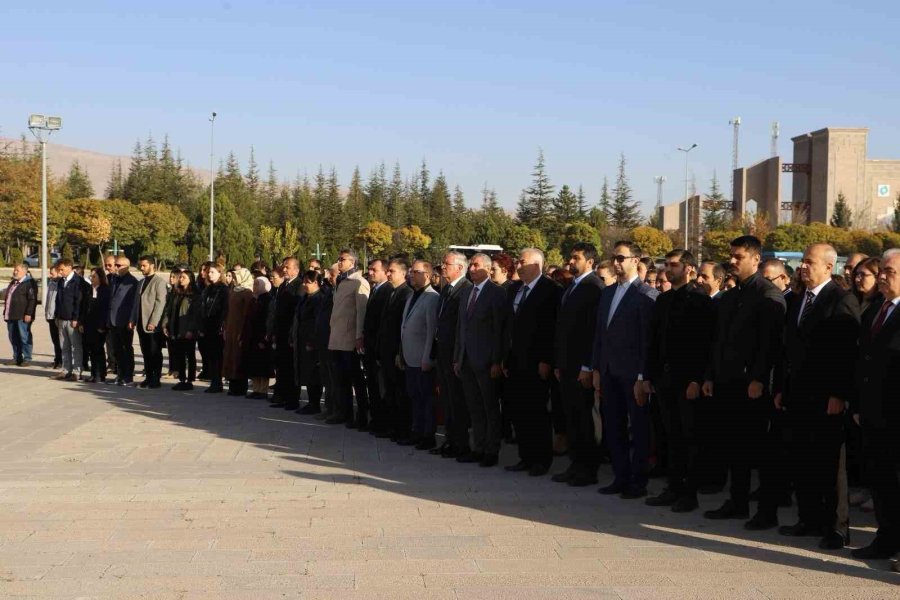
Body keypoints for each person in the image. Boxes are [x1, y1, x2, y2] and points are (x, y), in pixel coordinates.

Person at [775, 243, 859, 550]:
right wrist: (782, 387)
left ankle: (836, 527)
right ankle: (808, 518)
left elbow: (846, 352)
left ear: (828, 266)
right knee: (803, 459)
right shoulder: (800, 299)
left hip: (827, 397)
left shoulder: (841, 299)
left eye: (810, 262)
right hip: (798, 395)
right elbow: (790, 350)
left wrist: (839, 393)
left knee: (828, 465)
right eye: (803, 262)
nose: (803, 267)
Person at [702, 236, 786, 529]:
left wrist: (759, 379)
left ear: (755, 259)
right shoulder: (732, 295)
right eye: (731, 257)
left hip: (752, 385)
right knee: (732, 445)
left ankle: (767, 510)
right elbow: (719, 340)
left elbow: (769, 344)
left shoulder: (768, 295)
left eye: (739, 257)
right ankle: (737, 503)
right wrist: (711, 375)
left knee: (760, 450)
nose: (733, 262)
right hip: (727, 381)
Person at [643, 250, 715, 512]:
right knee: (670, 434)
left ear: (689, 269)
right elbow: (654, 340)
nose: (668, 270)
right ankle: (673, 487)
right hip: (664, 379)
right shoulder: (663, 300)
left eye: (674, 265)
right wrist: (649, 375)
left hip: (688, 381)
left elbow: (707, 345)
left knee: (690, 436)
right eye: (667, 265)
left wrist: (698, 379)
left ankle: (689, 492)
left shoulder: (701, 301)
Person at [590, 241, 658, 498]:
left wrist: (642, 376)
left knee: (638, 428)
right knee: (613, 425)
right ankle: (621, 477)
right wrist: (596, 367)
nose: (616, 262)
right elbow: (599, 333)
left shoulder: (646, 295)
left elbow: (646, 340)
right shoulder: (607, 293)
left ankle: (638, 482)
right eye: (614, 257)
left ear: (635, 261)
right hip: (608, 370)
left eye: (621, 258)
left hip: (632, 374)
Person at [852, 249, 900, 562]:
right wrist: (858, 403)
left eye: (890, 272)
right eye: (881, 270)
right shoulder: (874, 311)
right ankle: (886, 540)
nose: (881, 276)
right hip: (874, 413)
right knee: (881, 482)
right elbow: (862, 362)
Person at [552, 243, 605, 487]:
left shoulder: (594, 287)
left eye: (576, 258)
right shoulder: (572, 286)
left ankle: (587, 469)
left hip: (580, 367)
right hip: (566, 365)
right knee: (571, 417)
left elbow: (592, 332)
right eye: (570, 257)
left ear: (590, 262)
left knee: (584, 420)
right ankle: (575, 465)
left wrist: (587, 366)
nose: (570, 262)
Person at [505, 248, 561, 477]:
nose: (518, 265)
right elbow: (510, 328)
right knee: (519, 410)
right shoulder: (515, 289)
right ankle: (525, 456)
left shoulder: (550, 290)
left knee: (537, 411)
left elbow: (551, 329)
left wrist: (546, 359)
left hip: (537, 361)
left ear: (537, 265)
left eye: (522, 262)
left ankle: (541, 459)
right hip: (516, 360)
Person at [453, 253, 507, 467]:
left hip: (486, 361)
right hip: (466, 360)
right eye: (471, 265)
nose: (472, 268)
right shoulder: (466, 293)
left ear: (486, 268)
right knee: (474, 407)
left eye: (476, 265)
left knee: (490, 407)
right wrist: (457, 357)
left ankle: (491, 450)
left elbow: (499, 331)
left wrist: (496, 361)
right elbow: (461, 328)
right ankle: (478, 446)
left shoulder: (497, 293)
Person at [432, 251, 473, 458]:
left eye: (446, 264)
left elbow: (461, 327)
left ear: (459, 267)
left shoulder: (465, 289)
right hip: (442, 352)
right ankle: (450, 440)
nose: (443, 267)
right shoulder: (447, 289)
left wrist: (458, 356)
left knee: (457, 401)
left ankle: (461, 443)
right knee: (446, 399)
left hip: (454, 354)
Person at [399, 260, 440, 449]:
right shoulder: (411, 296)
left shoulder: (432, 298)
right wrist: (401, 352)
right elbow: (405, 327)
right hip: (409, 357)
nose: (411, 275)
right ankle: (416, 431)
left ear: (428, 275)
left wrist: (428, 358)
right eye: (411, 271)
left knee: (426, 399)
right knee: (414, 397)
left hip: (422, 359)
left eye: (416, 272)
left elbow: (432, 331)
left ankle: (427, 435)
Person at [327, 249, 370, 426]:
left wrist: (359, 336)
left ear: (352, 262)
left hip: (350, 337)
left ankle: (361, 415)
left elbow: (362, 312)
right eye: (338, 259)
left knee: (355, 380)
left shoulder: (359, 282)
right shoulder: (341, 281)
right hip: (336, 336)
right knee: (339, 378)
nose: (339, 262)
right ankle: (343, 413)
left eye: (342, 259)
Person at [376, 259, 413, 439]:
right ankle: (391, 426)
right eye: (388, 271)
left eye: (392, 271)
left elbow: (402, 327)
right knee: (389, 391)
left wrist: (400, 352)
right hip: (386, 351)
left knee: (400, 392)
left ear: (403, 273)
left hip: (397, 353)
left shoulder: (406, 294)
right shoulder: (392, 292)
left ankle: (402, 429)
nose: (388, 274)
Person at [362, 259, 392, 433]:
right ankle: (375, 420)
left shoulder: (387, 291)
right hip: (370, 347)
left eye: (374, 269)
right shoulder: (375, 290)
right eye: (370, 269)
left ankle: (383, 422)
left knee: (382, 388)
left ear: (385, 271)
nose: (371, 272)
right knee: (372, 386)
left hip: (379, 348)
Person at [270, 258, 303, 409]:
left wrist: (291, 332)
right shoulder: (283, 285)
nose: (284, 270)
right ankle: (280, 396)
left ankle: (292, 399)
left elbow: (296, 312)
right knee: (281, 365)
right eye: (284, 267)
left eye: (287, 267)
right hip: (281, 331)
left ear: (296, 270)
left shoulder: (299, 286)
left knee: (291, 367)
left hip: (291, 332)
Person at [131, 256, 168, 389]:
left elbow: (160, 303)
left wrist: (154, 322)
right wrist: (132, 319)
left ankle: (155, 378)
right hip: (141, 323)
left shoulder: (159, 282)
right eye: (140, 265)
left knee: (154, 352)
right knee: (145, 352)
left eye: (144, 265)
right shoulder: (140, 282)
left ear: (152, 265)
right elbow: (136, 303)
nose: (141, 268)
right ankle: (148, 376)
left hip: (153, 325)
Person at [293, 270, 327, 414]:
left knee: (314, 374)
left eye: (308, 282)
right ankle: (311, 402)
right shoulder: (305, 298)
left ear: (316, 283)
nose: (304, 284)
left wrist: (313, 340)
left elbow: (319, 322)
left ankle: (315, 403)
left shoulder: (319, 299)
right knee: (306, 372)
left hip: (312, 342)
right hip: (302, 340)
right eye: (304, 281)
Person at [163, 269, 201, 391]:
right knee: (179, 354)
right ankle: (182, 378)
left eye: (184, 277)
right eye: (180, 277)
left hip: (188, 329)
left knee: (189, 355)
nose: (181, 279)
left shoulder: (195, 294)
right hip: (176, 327)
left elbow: (195, 314)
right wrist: (165, 324)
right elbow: (169, 310)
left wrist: (191, 329)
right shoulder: (176, 293)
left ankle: (189, 380)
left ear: (190, 279)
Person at [223, 268, 254, 396]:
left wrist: (243, 331)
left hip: (240, 328)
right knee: (230, 355)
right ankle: (232, 384)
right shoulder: (234, 290)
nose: (235, 279)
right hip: (231, 327)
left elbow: (247, 313)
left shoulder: (247, 292)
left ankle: (241, 387)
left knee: (239, 357)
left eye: (237, 276)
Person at [107, 257, 138, 386]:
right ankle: (119, 375)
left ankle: (128, 376)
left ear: (126, 266)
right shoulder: (114, 279)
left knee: (126, 349)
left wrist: (131, 320)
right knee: (117, 349)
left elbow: (133, 304)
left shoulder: (132, 282)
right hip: (113, 320)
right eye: (116, 265)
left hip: (125, 321)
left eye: (118, 265)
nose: (116, 267)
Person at [198, 263, 228, 393]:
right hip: (207, 323)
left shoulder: (223, 289)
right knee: (209, 354)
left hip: (217, 324)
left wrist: (221, 324)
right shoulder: (208, 289)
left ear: (220, 273)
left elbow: (225, 309)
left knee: (217, 355)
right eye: (209, 272)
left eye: (212, 272)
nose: (209, 274)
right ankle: (213, 380)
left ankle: (217, 382)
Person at [53, 259, 84, 381]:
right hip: (61, 318)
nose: (60, 272)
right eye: (59, 270)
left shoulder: (78, 281)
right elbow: (58, 299)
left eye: (62, 269)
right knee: (64, 346)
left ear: (69, 267)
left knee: (75, 346)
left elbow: (78, 301)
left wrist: (76, 318)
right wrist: (57, 315)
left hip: (72, 320)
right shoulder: (61, 281)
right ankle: (66, 370)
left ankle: (77, 371)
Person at [244, 276, 274, 399]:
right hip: (253, 336)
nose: (254, 287)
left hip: (262, 337)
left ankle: (263, 390)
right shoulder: (254, 299)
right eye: (254, 284)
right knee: (254, 364)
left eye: (257, 284)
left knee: (263, 365)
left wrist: (264, 338)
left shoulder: (267, 300)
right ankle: (256, 389)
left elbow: (268, 320)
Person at [80, 267, 110, 383]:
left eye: (94, 276)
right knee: (91, 350)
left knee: (98, 350)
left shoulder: (105, 290)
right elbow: (84, 307)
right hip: (88, 325)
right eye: (91, 276)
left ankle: (100, 374)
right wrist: (81, 322)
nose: (91, 278)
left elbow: (105, 309)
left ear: (100, 278)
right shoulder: (89, 289)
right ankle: (93, 374)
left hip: (99, 325)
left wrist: (103, 325)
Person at [3, 263, 37, 367]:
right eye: (14, 270)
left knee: (24, 337)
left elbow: (32, 300)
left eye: (17, 270)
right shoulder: (13, 282)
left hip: (22, 316)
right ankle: (17, 357)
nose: (15, 272)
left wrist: (28, 313)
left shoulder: (29, 283)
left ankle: (27, 358)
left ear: (24, 271)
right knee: (13, 337)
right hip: (11, 315)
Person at [103, 254, 118, 375]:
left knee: (119, 343)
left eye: (110, 265)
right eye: (106, 265)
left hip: (119, 318)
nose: (107, 267)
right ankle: (111, 364)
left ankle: (118, 365)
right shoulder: (107, 278)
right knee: (109, 342)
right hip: (107, 317)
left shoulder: (121, 279)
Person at [44, 265, 62, 369]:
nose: (50, 275)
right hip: (50, 317)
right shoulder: (51, 283)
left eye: (52, 273)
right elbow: (48, 300)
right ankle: (57, 359)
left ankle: (62, 361)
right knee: (55, 340)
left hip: (57, 317)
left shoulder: (61, 284)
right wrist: (47, 313)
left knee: (60, 341)